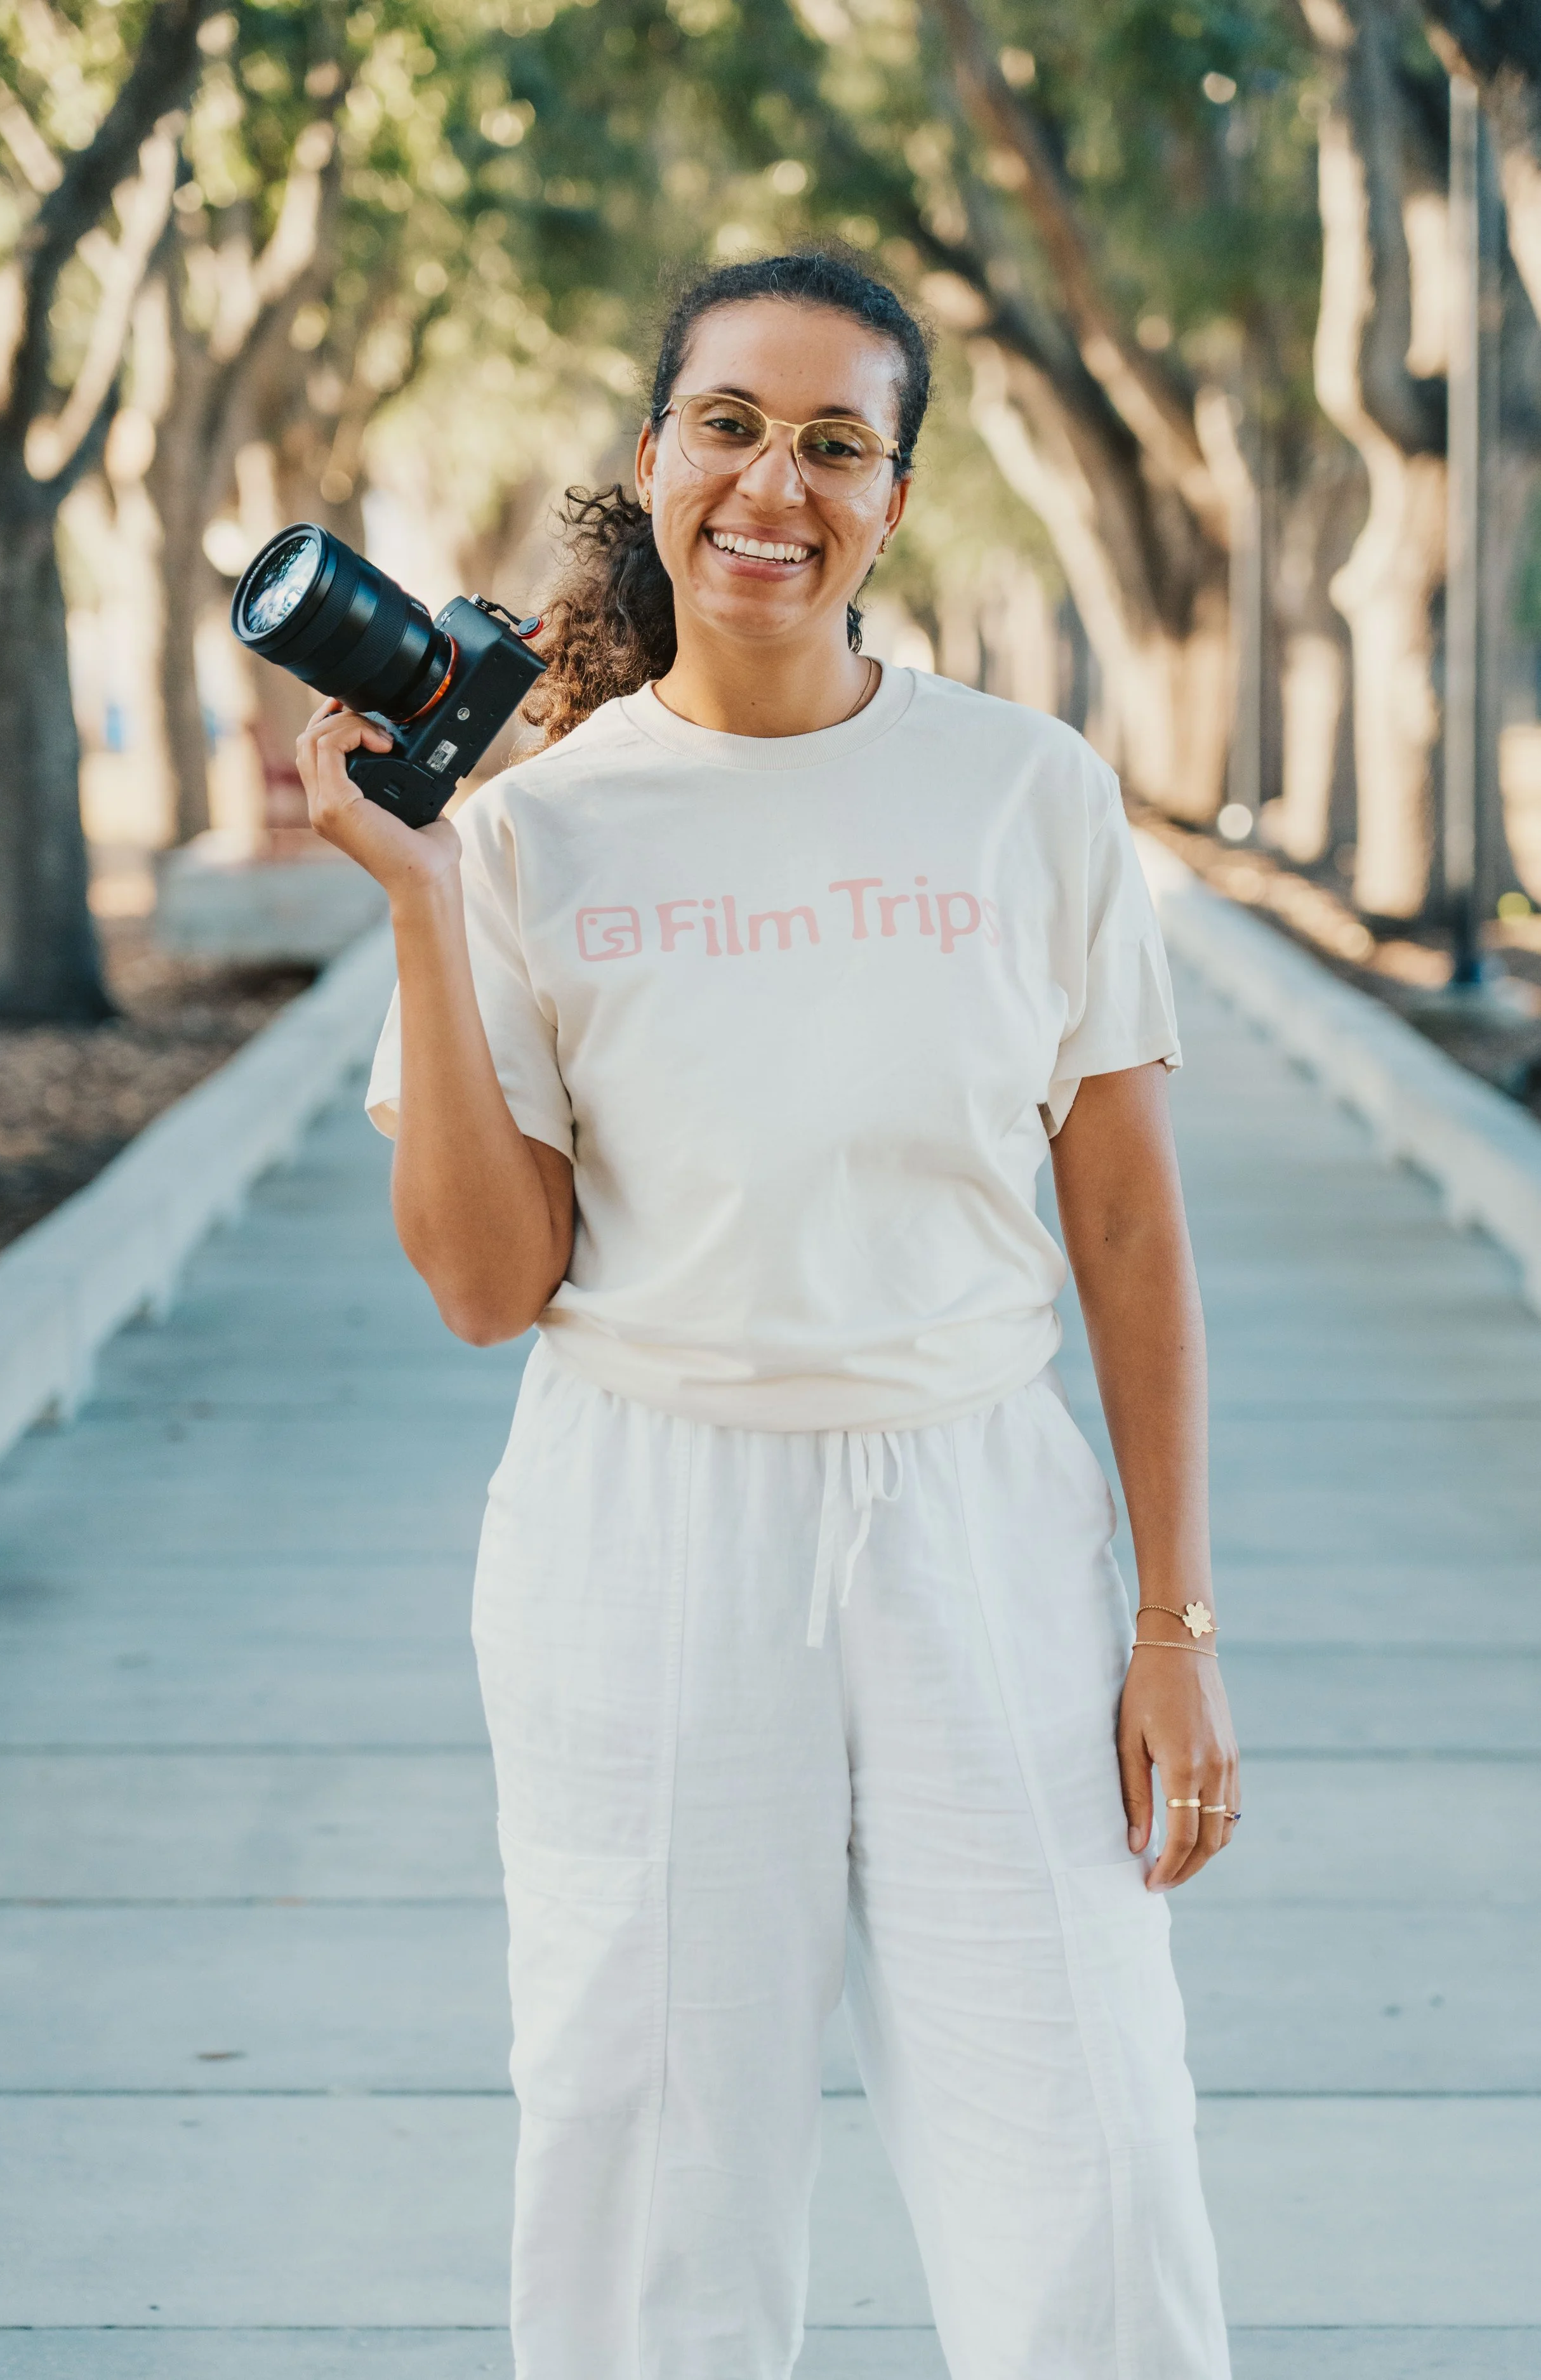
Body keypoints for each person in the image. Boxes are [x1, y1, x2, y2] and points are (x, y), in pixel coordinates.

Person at [296, 248, 1239, 2380]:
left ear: (891, 502)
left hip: (974, 1511)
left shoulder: (1029, 792)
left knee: (1089, 2152)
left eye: (834, 443)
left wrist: (1172, 1625)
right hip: (641, 1518)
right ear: (652, 465)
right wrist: (423, 907)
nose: (770, 483)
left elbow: (1126, 1234)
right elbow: (480, 1284)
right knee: (647, 2186)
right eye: (727, 423)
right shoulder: (534, 825)